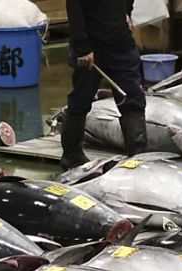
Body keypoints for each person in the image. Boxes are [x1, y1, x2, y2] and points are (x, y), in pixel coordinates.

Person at [60, 0, 147, 170]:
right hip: (91, 48)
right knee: (81, 99)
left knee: (132, 98)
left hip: (121, 43)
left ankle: (139, 156)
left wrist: (126, 12)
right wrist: (82, 47)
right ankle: (71, 155)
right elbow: (74, 9)